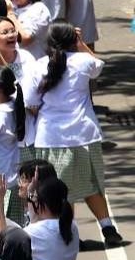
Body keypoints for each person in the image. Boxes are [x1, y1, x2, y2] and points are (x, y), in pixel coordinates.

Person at [26, 21, 122, 246]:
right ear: (72, 40)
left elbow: (30, 102)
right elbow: (98, 65)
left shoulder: (39, 66)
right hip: (84, 134)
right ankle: (108, 228)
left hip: (50, 137)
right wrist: (80, 43)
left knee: (59, 189)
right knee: (91, 184)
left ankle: (68, 233)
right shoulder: (83, 61)